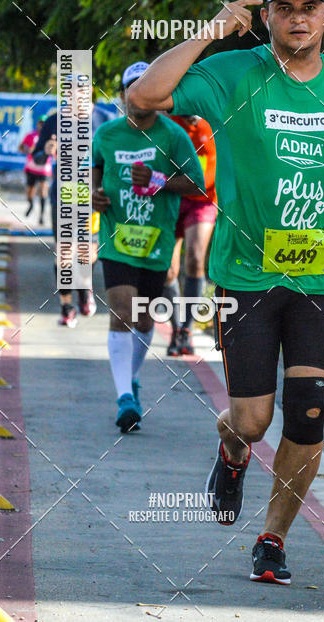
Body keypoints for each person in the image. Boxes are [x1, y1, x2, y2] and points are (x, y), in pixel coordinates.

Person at [130, 0, 324, 583]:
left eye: (309, 6)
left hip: (319, 281)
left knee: (308, 412)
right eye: (284, 7)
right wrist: (208, 32)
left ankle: (272, 539)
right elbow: (144, 98)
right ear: (267, 15)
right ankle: (232, 450)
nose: (298, 18)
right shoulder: (232, 75)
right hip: (246, 279)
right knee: (254, 419)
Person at [92, 62, 206, 433]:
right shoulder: (106, 134)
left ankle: (132, 380)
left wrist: (158, 179)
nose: (139, 96)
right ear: (123, 95)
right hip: (117, 239)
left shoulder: (173, 136)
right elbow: (92, 173)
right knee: (121, 309)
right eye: (131, 88)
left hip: (155, 241)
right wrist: (93, 197)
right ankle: (125, 397)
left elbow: (197, 184)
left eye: (147, 88)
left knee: (144, 318)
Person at [32, 86, 111, 325]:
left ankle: (84, 286)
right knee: (65, 251)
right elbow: (37, 156)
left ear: (90, 92)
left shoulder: (104, 120)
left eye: (81, 90)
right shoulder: (55, 121)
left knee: (90, 248)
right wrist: (45, 151)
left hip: (92, 194)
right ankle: (66, 306)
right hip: (64, 194)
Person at [164, 114, 218, 357]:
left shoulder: (213, 122)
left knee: (195, 260)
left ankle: (187, 329)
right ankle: (176, 329)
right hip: (173, 198)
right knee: (169, 270)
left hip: (204, 201)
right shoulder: (168, 122)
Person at [19, 117, 52, 224]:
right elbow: (21, 147)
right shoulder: (31, 135)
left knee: (43, 191)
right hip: (31, 167)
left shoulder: (51, 137)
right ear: (37, 124)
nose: (42, 125)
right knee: (30, 191)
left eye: (44, 123)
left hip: (44, 169)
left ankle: (41, 216)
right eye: (40, 123)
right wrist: (28, 150)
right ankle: (31, 204)